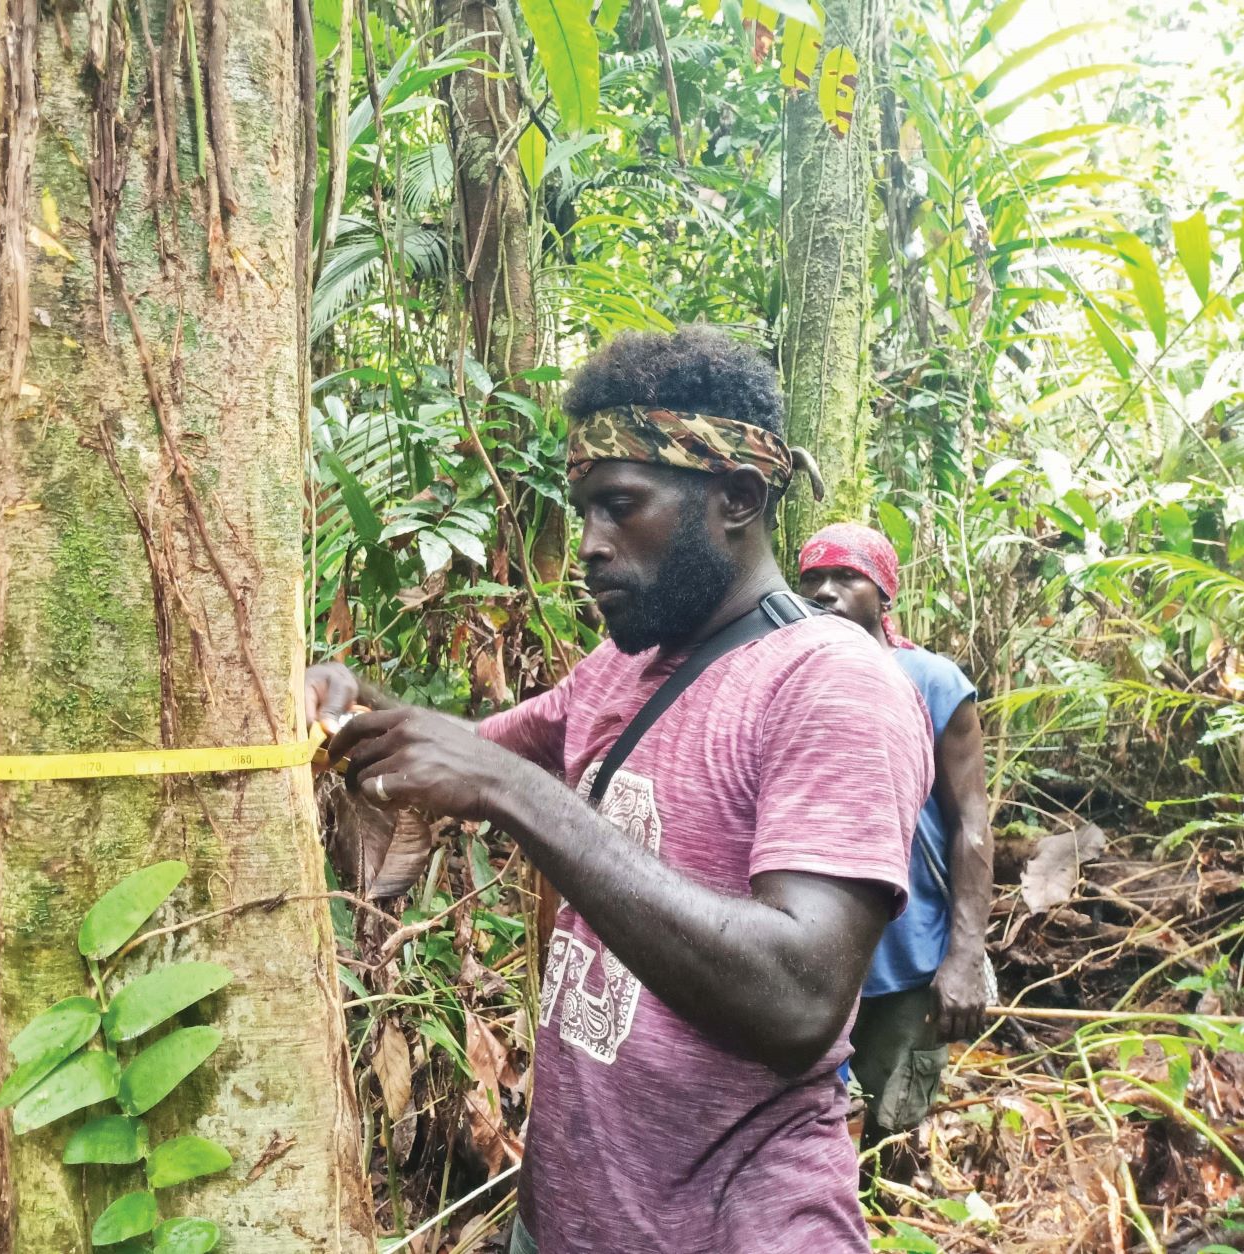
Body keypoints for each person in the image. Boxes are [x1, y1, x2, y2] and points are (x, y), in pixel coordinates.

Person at [308, 327, 933, 1253]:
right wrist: (350, 699)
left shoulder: (829, 684)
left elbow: (799, 1002)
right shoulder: (621, 667)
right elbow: (464, 757)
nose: (589, 548)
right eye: (584, 512)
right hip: (565, 1216)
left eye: (621, 507)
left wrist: (516, 792)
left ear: (737, 498)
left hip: (732, 1230)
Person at [796, 523, 993, 1155]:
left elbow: (970, 824)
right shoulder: (788, 674)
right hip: (808, 956)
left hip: (906, 963)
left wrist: (964, 957)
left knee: (888, 1138)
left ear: (884, 595)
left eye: (846, 577)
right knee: (807, 1139)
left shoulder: (934, 682)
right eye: (811, 580)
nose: (825, 592)